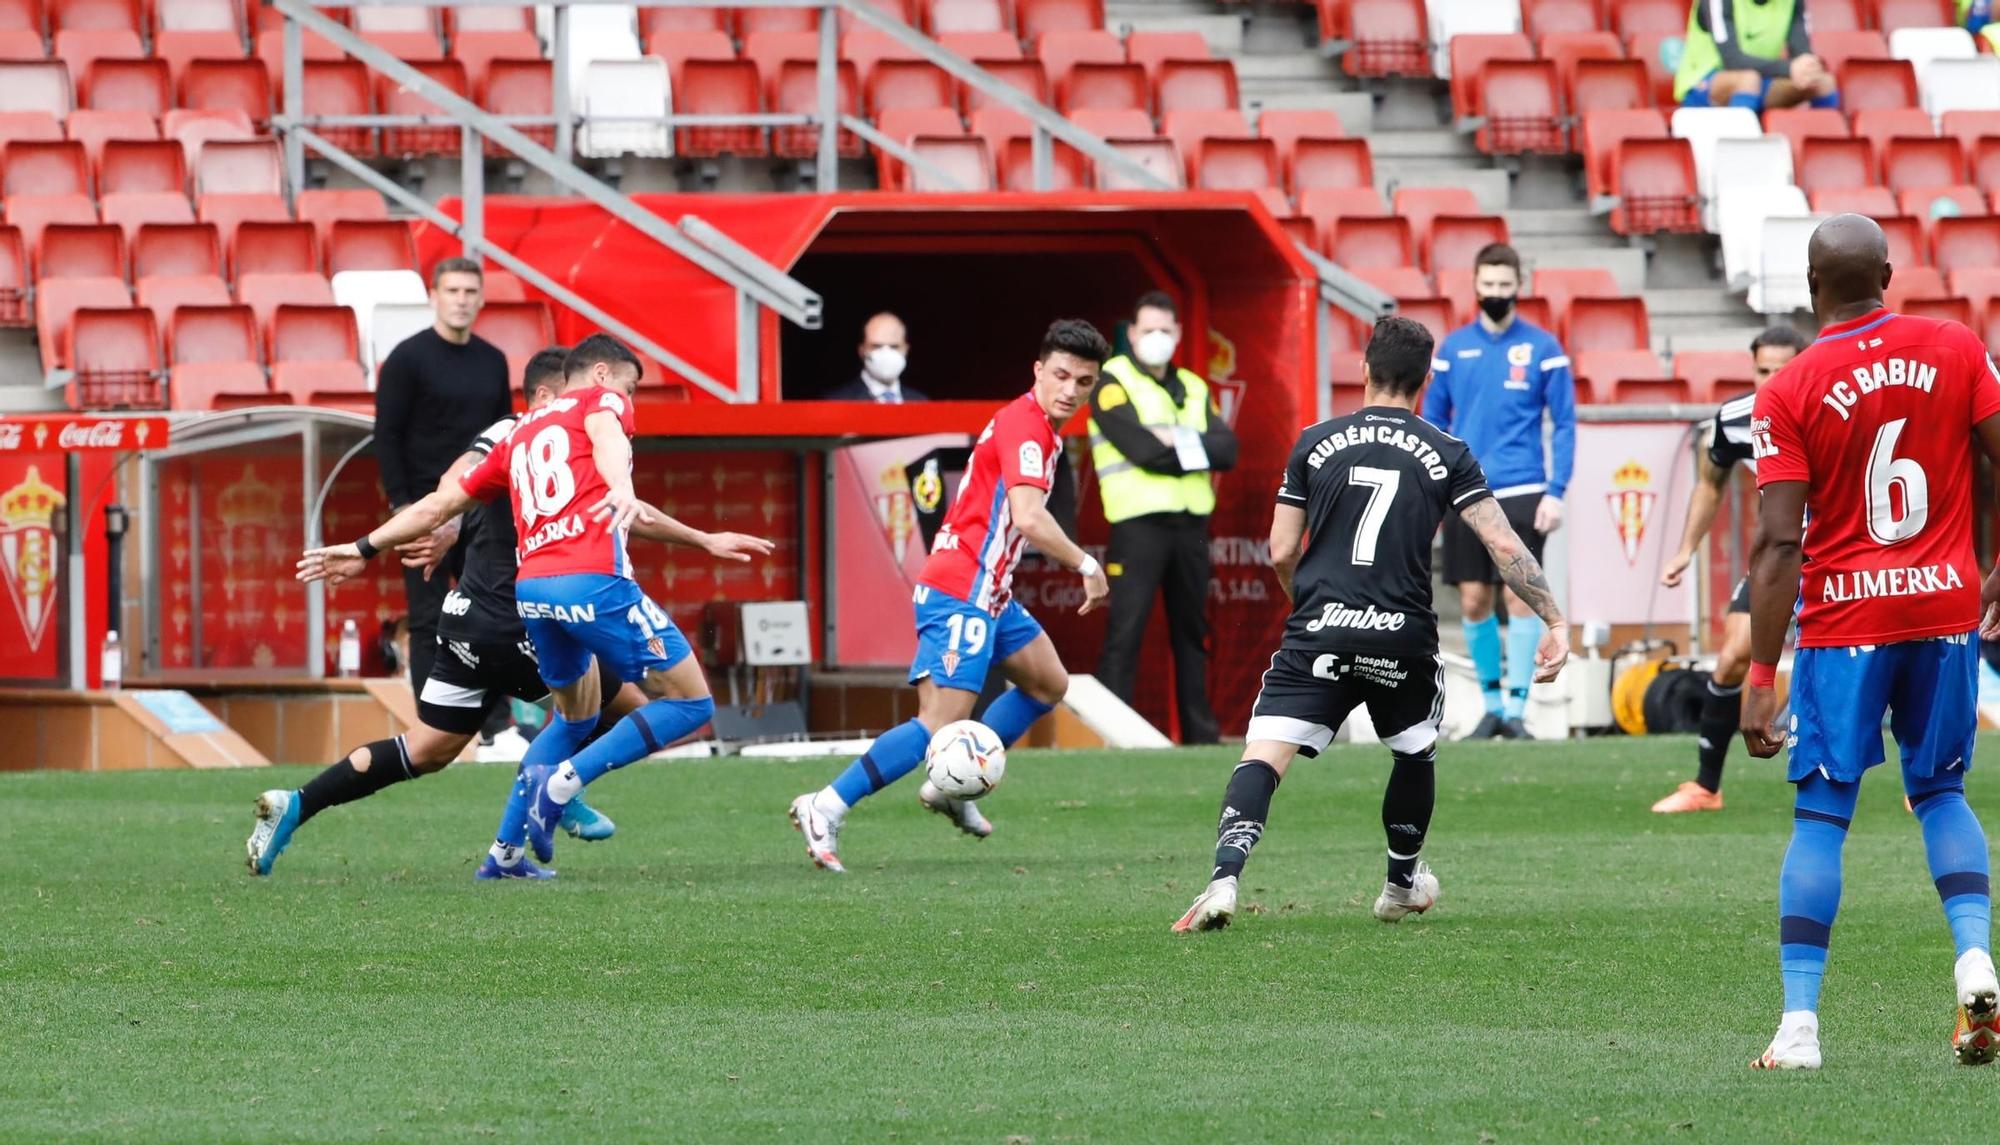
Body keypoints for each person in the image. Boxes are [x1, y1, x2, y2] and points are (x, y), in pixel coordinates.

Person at [253, 350, 773, 877]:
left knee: (430, 748)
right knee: (629, 708)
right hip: (519, 618)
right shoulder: (551, 416)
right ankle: (557, 792)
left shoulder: (520, 439)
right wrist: (622, 487)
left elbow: (449, 499)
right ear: (555, 390)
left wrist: (370, 546)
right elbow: (491, 477)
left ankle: (299, 803)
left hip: (476, 615)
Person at [1172, 317, 1570, 933]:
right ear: (1427, 378)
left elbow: (1280, 549)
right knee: (1414, 751)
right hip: (1401, 636)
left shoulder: (1313, 440)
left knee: (1265, 755)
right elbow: (1501, 542)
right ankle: (1400, 885)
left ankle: (1223, 880)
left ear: (1363, 369)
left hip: (1320, 628)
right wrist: (1553, 618)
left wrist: (1308, 607)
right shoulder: (1448, 452)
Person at [1741, 213, 2000, 1070]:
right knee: (1941, 793)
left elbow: (1780, 543)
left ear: (1811, 290)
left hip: (1847, 624)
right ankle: (1973, 956)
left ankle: (1801, 1026)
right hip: (1943, 614)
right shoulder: (1957, 348)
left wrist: (1759, 668)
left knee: (1821, 812)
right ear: (1889, 272)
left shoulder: (1787, 387)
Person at [786, 320, 1115, 872]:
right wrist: (1086, 563)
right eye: (1061, 375)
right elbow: (1030, 519)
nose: (1070, 389)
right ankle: (825, 805)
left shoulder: (1041, 428)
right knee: (938, 724)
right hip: (961, 587)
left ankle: (951, 788)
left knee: (1047, 683)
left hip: (991, 590)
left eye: (1083, 381)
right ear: (1038, 371)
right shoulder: (1026, 426)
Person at [1422, 243, 1577, 740]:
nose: (1495, 294)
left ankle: (1516, 708)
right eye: (1487, 286)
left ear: (1518, 287)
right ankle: (1489, 705)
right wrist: (1434, 485)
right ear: (1475, 285)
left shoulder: (1544, 348)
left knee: (1521, 599)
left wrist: (1556, 490)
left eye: (1503, 286)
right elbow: (1432, 422)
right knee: (1472, 600)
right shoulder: (1452, 349)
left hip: (1526, 487)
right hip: (1465, 490)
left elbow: (1566, 423)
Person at [1650, 326, 1808, 814]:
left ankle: (1926, 786)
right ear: (1752, 369)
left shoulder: (1833, 410)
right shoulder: (1737, 419)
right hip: (1778, 557)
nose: (1774, 379)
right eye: (1765, 370)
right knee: (1732, 657)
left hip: (1839, 555)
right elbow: (1709, 484)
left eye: (1785, 369)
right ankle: (1705, 787)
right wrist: (1684, 549)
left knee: (1869, 665)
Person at [1088, 290, 1238, 744]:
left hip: (1190, 525)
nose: (1157, 338)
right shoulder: (1111, 380)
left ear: (1177, 335)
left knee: (1193, 634)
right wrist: (1190, 447)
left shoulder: (1193, 385)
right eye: (1148, 329)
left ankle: (1200, 736)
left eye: (1165, 331)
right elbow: (1143, 451)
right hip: (1139, 525)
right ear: (1131, 334)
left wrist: (1172, 439)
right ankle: (1112, 734)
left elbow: (1228, 450)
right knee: (1125, 631)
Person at [373, 257, 511, 703]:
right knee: (429, 617)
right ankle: (432, 722)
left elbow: (501, 437)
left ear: (482, 298)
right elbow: (387, 436)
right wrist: (403, 509)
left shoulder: (494, 360)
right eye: (452, 291)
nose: (461, 301)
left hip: (480, 512)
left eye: (470, 292)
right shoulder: (406, 359)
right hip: (423, 510)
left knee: (489, 613)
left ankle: (491, 726)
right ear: (434, 296)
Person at [1674, 0, 1838, 113]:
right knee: (1748, 80)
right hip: (1703, 84)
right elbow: (1732, 60)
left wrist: (1808, 68)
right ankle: (1739, 153)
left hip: (1763, 79)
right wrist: (1789, 68)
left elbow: (1801, 53)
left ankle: (1828, 157)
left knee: (1823, 82)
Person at [824, 312, 927, 402]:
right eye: (876, 346)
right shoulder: (837, 402)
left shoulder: (921, 402)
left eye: (894, 347)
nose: (886, 354)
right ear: (862, 350)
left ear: (906, 349)